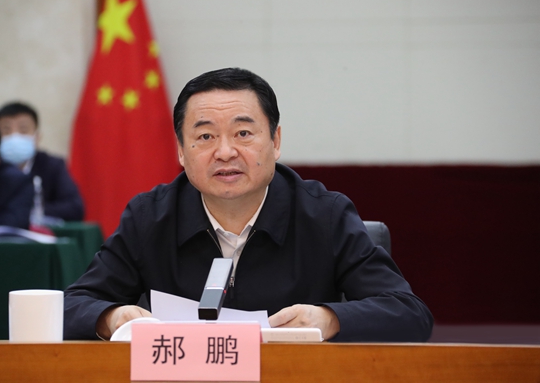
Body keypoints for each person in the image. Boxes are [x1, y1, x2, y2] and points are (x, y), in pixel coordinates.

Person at [64, 68, 434, 342]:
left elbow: (409, 313)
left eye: (243, 133)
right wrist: (111, 317)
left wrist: (329, 319)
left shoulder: (324, 214)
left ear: (275, 141)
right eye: (205, 136)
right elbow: (72, 306)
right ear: (180, 151)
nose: (225, 152)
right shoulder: (150, 217)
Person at [0, 102, 84, 222]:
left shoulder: (52, 166)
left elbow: (75, 207)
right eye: (6, 131)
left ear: (36, 137)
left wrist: (32, 211)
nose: (15, 137)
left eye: (23, 130)